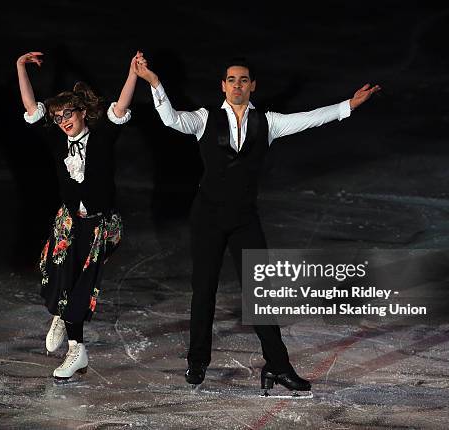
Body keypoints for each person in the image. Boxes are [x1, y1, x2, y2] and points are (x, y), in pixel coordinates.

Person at [134, 55, 380, 394]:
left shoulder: (269, 123)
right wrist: (154, 82)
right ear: (223, 85)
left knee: (261, 293)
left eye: (243, 79)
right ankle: (197, 361)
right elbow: (170, 119)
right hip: (207, 217)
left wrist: (347, 106)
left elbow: (308, 119)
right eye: (232, 79)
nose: (237, 85)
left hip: (244, 218)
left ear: (252, 86)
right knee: (204, 291)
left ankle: (278, 367)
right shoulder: (204, 119)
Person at [17, 50, 141, 379]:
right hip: (69, 221)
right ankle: (67, 329)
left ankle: (76, 348)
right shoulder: (59, 142)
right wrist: (20, 68)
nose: (63, 122)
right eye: (58, 118)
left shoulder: (102, 137)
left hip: (101, 224)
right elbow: (31, 108)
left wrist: (133, 74)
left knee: (81, 288)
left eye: (68, 114)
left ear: (82, 111)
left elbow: (120, 107)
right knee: (58, 274)